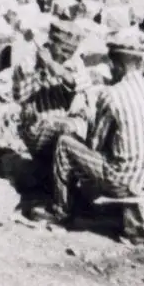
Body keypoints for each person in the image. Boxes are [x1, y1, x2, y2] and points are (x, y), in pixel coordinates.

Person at [50, 30, 144, 235]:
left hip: (128, 182)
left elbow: (95, 145)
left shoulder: (112, 95)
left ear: (116, 66)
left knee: (66, 143)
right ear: (139, 64)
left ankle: (61, 212)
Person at [14, 19, 94, 188]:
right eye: (64, 50)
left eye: (71, 51)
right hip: (38, 128)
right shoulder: (28, 62)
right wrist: (41, 70)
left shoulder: (75, 63)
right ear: (51, 42)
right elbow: (20, 96)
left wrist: (54, 66)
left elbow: (80, 83)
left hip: (67, 124)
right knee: (67, 131)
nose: (67, 55)